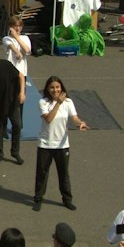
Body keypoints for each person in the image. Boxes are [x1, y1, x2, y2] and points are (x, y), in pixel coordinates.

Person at [31, 76, 87, 212]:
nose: (55, 90)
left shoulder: (68, 102)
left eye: (57, 87)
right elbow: (49, 119)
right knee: (42, 173)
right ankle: (38, 198)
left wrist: (80, 123)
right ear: (47, 89)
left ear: (61, 88)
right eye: (52, 87)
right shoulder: (43, 102)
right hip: (45, 144)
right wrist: (58, 104)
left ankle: (67, 199)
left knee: (63, 173)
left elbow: (74, 118)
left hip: (62, 145)